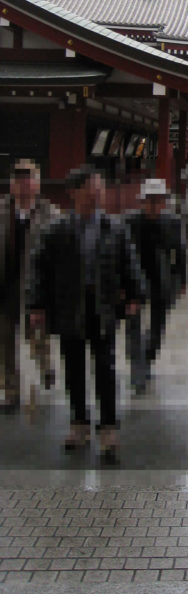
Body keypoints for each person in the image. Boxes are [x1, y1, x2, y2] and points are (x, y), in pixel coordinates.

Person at [28, 166, 146, 462]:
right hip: (69, 305)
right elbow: (39, 267)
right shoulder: (57, 228)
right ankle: (79, 423)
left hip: (102, 305)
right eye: (92, 188)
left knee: (106, 367)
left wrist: (135, 295)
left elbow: (129, 262)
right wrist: (36, 304)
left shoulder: (114, 227)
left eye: (100, 189)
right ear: (75, 192)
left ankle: (107, 427)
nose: (97, 194)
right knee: (74, 368)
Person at [0, 160, 59, 412]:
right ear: (12, 185)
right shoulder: (1, 210)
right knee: (4, 342)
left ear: (37, 183)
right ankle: (11, 392)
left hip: (35, 288)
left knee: (37, 337)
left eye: (28, 178)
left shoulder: (50, 214)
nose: (23, 184)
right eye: (18, 179)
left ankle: (45, 366)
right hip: (5, 286)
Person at [126, 179, 187, 394]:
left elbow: (179, 252)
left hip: (162, 278)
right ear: (142, 202)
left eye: (157, 201)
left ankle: (147, 358)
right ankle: (138, 369)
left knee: (157, 327)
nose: (152, 205)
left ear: (163, 203)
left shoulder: (172, 222)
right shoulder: (130, 222)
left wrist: (182, 279)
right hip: (134, 279)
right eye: (149, 201)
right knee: (133, 326)